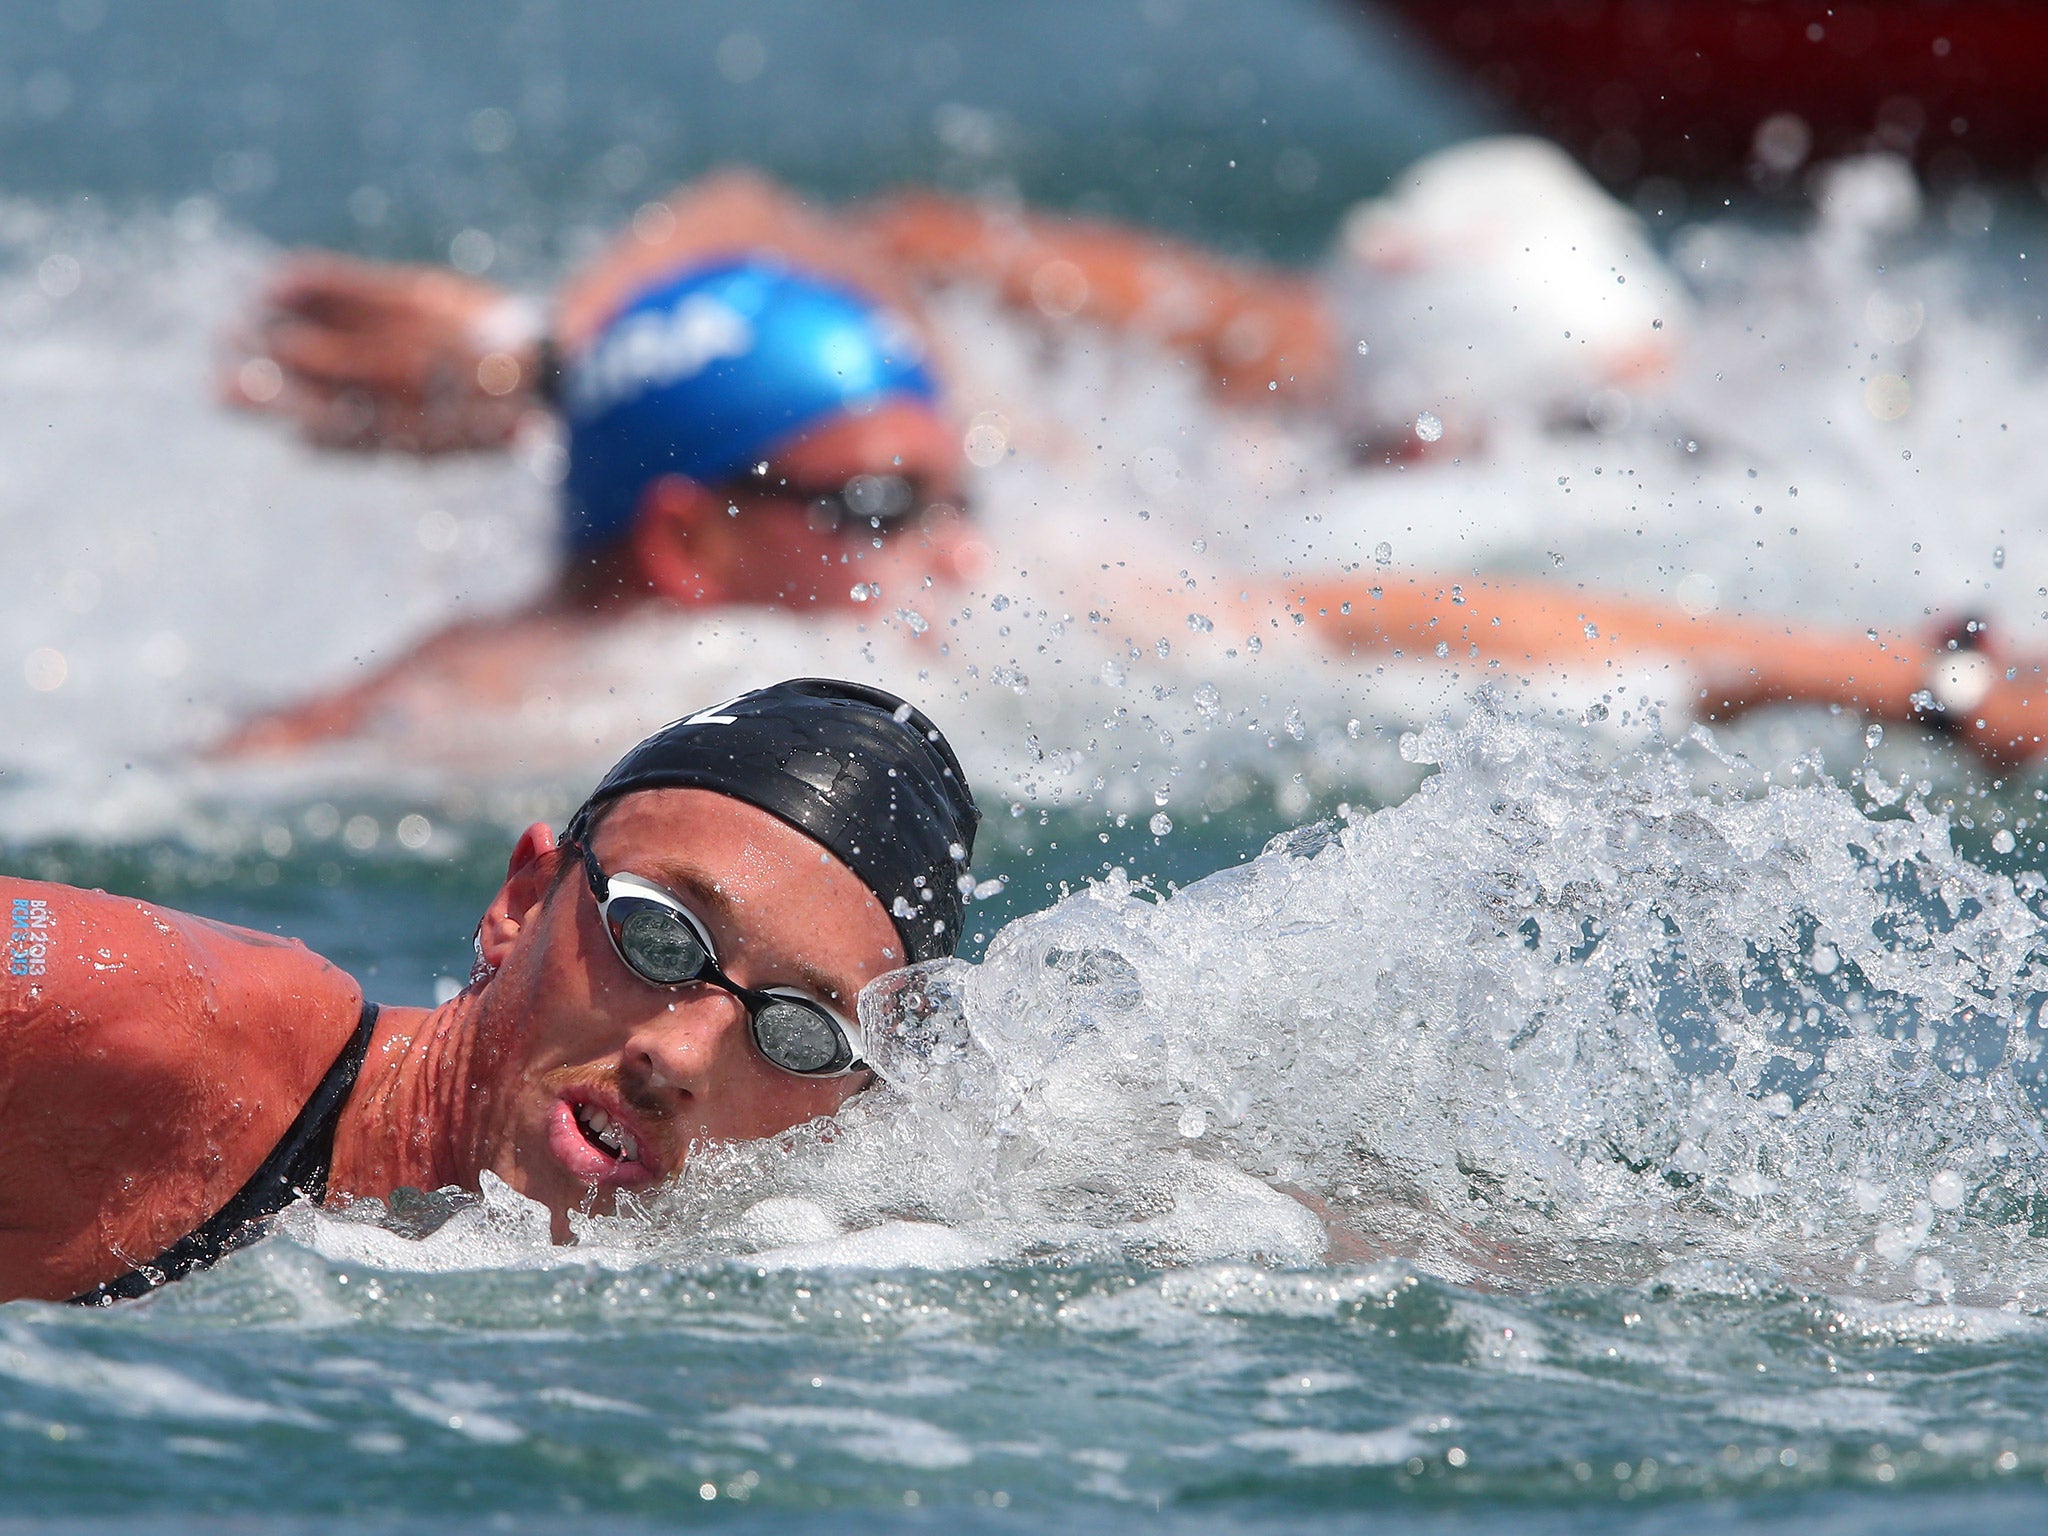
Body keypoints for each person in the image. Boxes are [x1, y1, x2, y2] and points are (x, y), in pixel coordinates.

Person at [221, 161, 2048, 766]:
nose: (952, 552)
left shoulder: (903, 587)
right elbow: (1372, 620)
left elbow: (783, 212)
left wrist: (552, 355)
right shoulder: (549, 705)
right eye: (883, 510)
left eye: (959, 493)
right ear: (689, 543)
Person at [0, 679, 979, 1305]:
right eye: (658, 936)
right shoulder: (126, 1022)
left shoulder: (801, 1302)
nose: (678, 1059)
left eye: (797, 1034)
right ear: (522, 900)